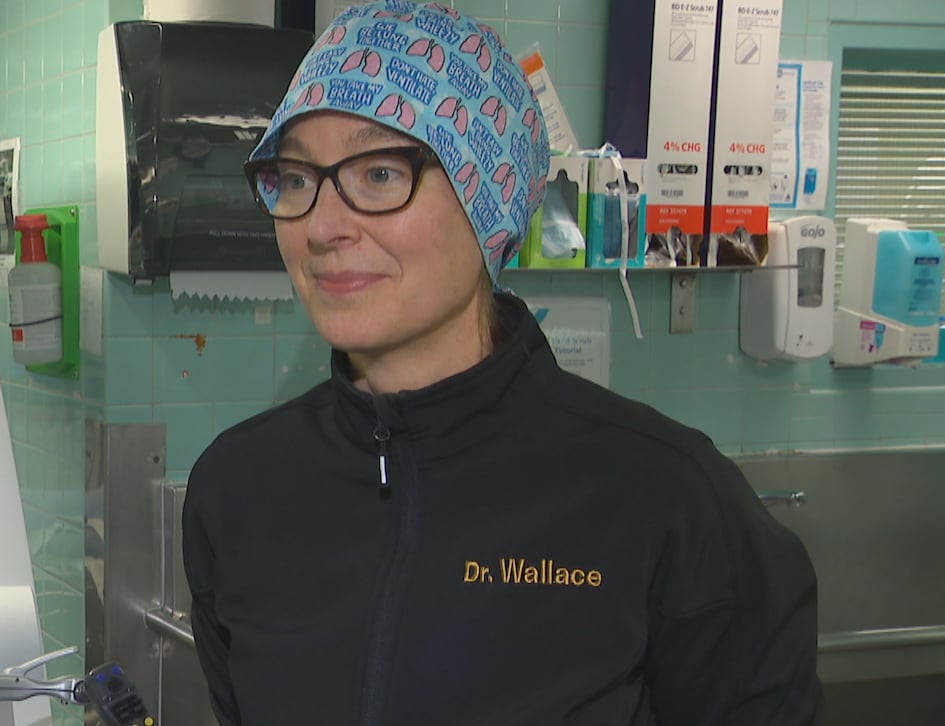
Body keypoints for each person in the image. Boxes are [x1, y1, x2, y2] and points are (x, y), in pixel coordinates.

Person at [182, 2, 822, 724]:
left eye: (381, 172)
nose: (324, 226)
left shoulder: (666, 499)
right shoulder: (237, 491)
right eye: (295, 178)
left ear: (491, 199)